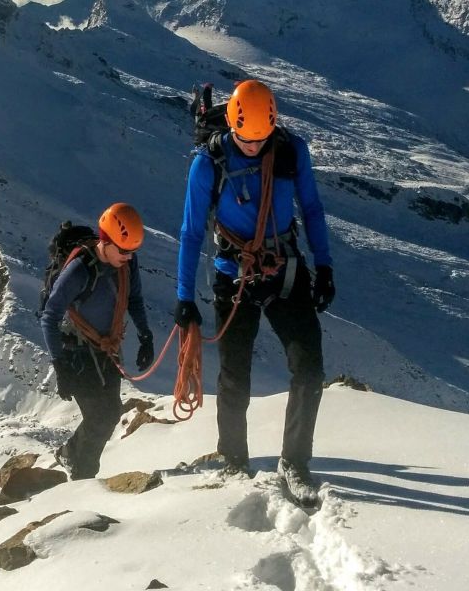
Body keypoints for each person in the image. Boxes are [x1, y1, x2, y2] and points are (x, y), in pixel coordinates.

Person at [174, 79, 335, 500]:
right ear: (231, 126)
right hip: (234, 274)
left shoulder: (289, 151)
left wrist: (325, 266)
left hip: (283, 268)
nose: (252, 147)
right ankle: (233, 458)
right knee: (234, 376)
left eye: (261, 139)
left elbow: (312, 209)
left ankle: (295, 463)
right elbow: (191, 231)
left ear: (273, 128)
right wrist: (184, 297)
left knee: (310, 368)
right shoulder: (207, 163)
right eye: (245, 139)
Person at [42, 202, 156, 480]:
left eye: (132, 252)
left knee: (111, 413)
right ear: (106, 241)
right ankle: (84, 478)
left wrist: (145, 336)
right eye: (124, 251)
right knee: (100, 418)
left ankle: (71, 455)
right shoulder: (79, 270)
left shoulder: (127, 263)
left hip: (106, 348)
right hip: (75, 352)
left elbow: (135, 299)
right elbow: (50, 316)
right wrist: (59, 365)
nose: (128, 257)